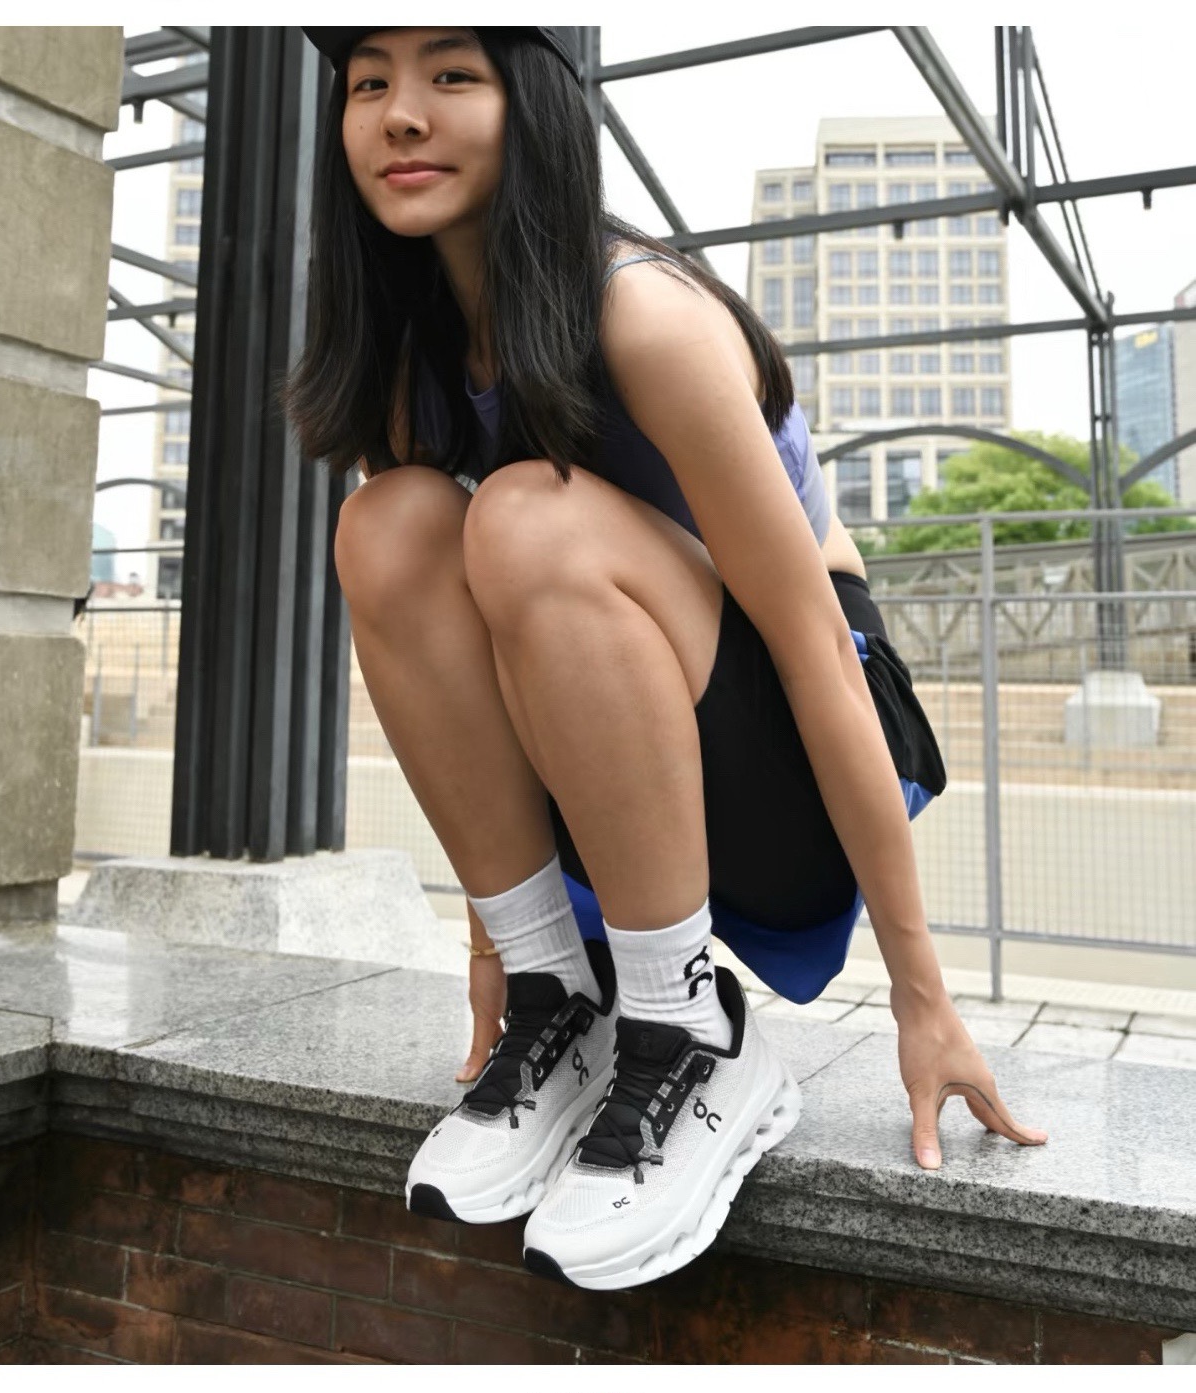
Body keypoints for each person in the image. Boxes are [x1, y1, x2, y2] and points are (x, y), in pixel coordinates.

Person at [287, 25, 1047, 1292]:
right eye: (371, 83)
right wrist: (506, 955)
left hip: (794, 776)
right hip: (618, 768)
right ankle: (571, 1012)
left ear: (532, 105)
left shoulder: (641, 312)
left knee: (524, 515)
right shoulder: (418, 362)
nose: (401, 115)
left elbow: (818, 653)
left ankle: (693, 1035)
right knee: (388, 526)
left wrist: (922, 993)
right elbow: (465, 676)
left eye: (451, 75)